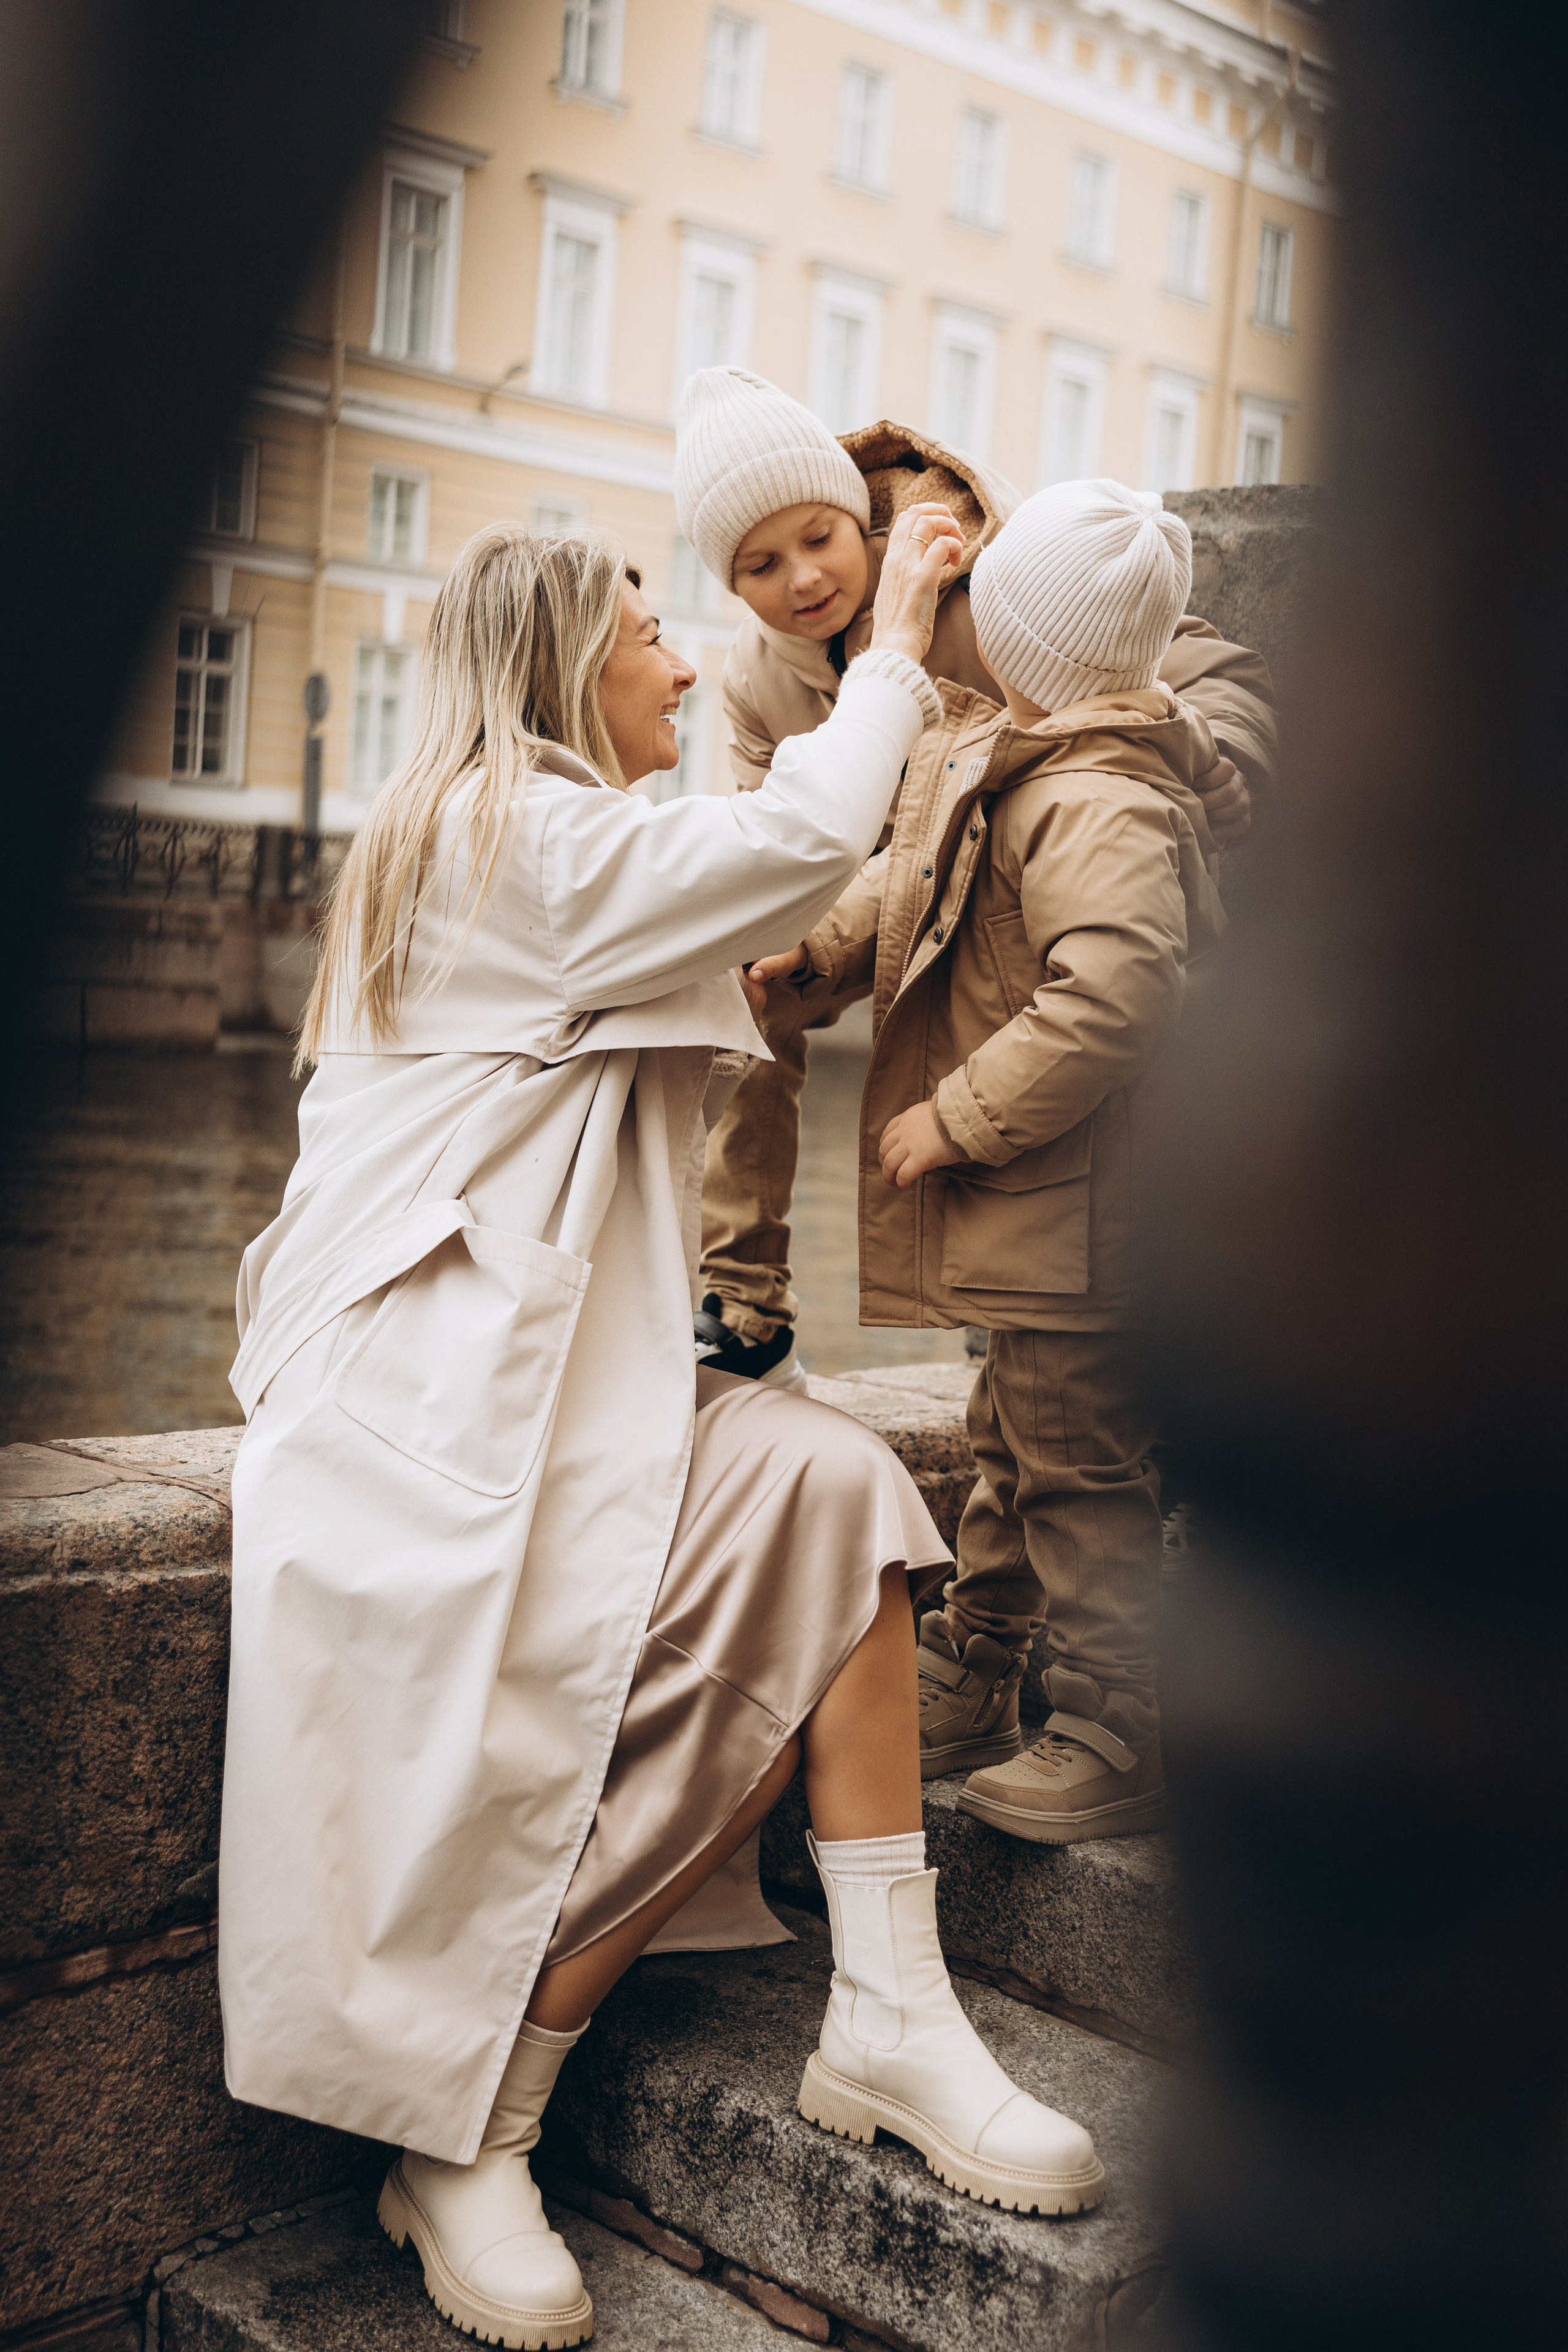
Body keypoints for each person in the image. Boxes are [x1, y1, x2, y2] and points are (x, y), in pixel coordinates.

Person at [217, 512, 1107, 2352]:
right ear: (561, 661)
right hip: (428, 1437)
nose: (690, 666)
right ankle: (471, 2136)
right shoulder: (506, 836)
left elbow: (750, 922)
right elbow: (795, 842)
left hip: (527, 1405)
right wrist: (901, 638)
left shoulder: (527, 846)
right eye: (651, 637)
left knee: (839, 1481)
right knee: (624, 1671)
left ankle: (890, 2010)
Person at [747, 479, 1223, 1844]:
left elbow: (1116, 990)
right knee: (1009, 1439)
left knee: (1076, 1465)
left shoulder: (1096, 796)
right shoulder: (1015, 748)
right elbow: (917, 887)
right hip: (1044, 1215)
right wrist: (824, 952)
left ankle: (1115, 1724)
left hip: (1080, 1208)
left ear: (1022, 643)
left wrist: (955, 1116)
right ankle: (984, 1661)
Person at [673, 364, 1276, 1391]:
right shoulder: (756, 673)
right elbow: (770, 830)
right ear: (732, 585)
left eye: (819, 538)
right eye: (761, 567)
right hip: (877, 888)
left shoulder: (994, 578)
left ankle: (1028, 1311)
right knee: (745, 991)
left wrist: (1221, 753)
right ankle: (744, 1300)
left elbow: (1207, 668)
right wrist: (781, 941)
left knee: (1037, 1033)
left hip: (1007, 879)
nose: (805, 580)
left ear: (856, 511)